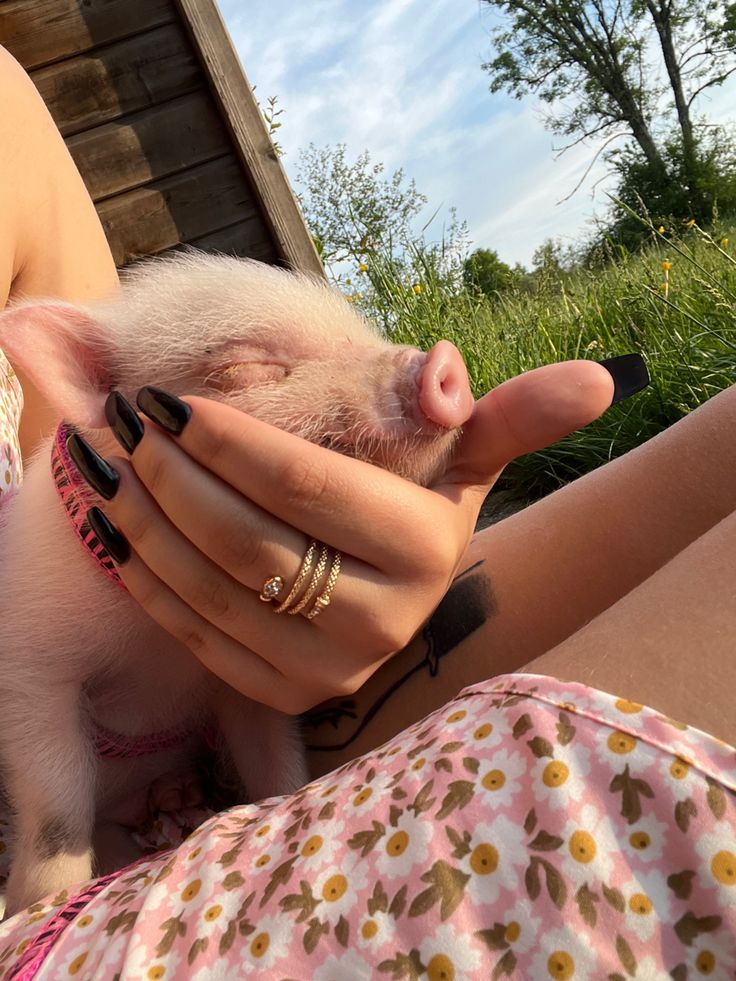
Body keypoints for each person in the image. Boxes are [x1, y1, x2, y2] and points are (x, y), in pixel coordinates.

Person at [0, 46, 733, 978]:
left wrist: (382, 587)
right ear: (88, 381)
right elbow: (30, 662)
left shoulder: (5, 112)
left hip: (196, 795)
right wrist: (57, 841)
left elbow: (229, 668)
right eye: (247, 374)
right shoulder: (74, 454)